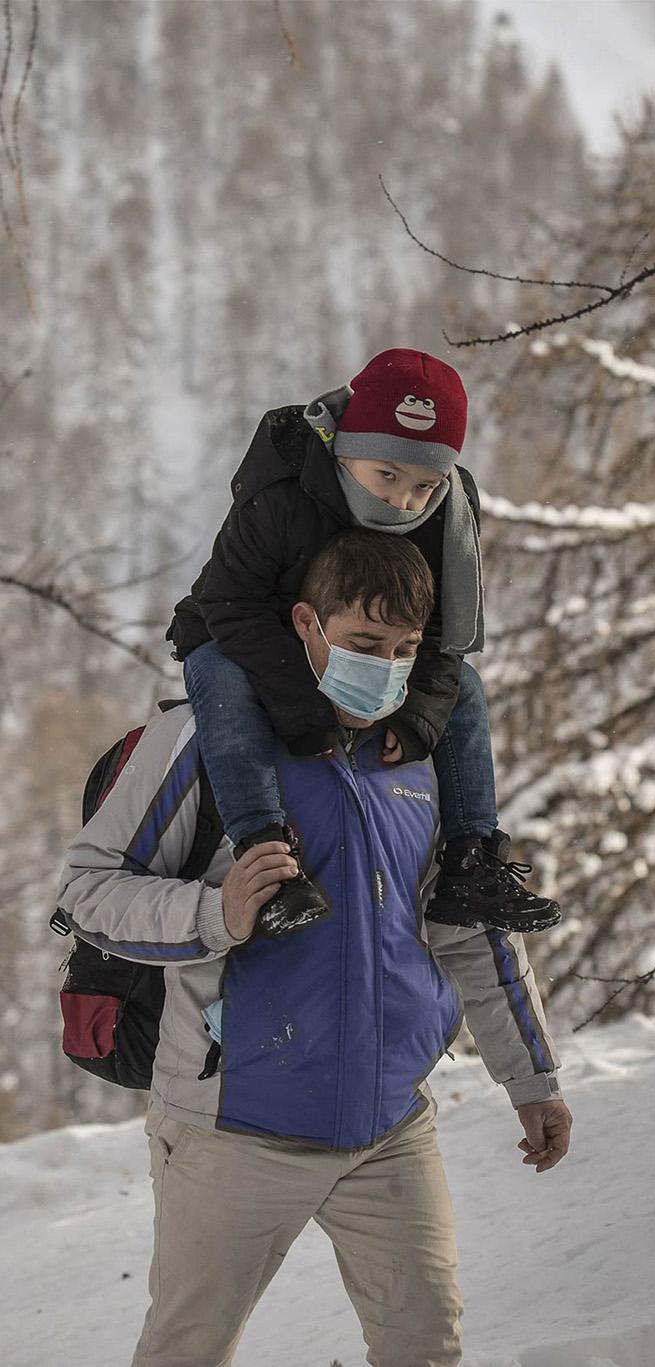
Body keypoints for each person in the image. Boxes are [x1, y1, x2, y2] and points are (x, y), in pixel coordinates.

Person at [57, 530, 572, 1367]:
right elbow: (87, 892)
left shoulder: (424, 753)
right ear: (306, 624)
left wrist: (533, 1077)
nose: (388, 668)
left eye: (406, 649)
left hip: (389, 1127)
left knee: (426, 1347)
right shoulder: (203, 744)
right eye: (366, 644)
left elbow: (468, 924)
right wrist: (215, 912)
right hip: (234, 1132)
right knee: (186, 1352)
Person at [169, 347, 561, 939]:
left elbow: (441, 638)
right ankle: (267, 856)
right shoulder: (281, 495)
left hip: (373, 642)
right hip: (249, 635)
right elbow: (230, 602)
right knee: (221, 681)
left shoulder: (445, 518)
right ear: (343, 445)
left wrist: (417, 723)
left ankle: (470, 862)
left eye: (424, 486)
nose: (400, 502)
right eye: (386, 475)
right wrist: (302, 705)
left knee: (466, 691)